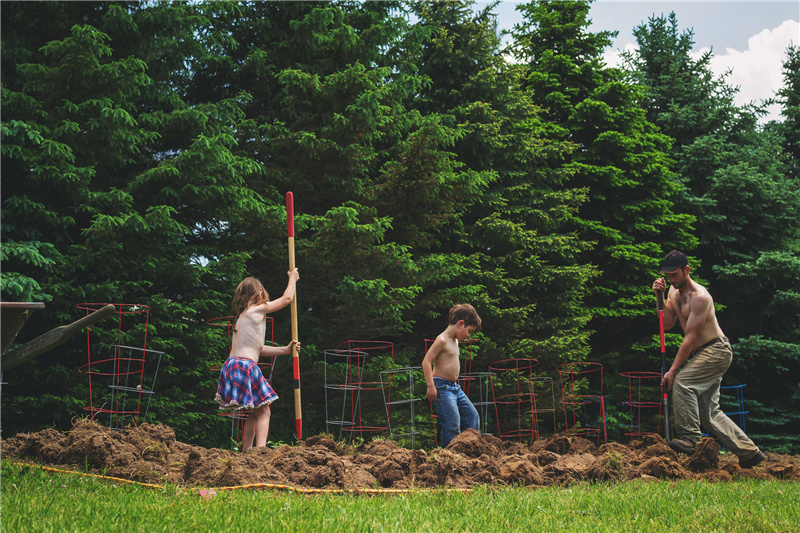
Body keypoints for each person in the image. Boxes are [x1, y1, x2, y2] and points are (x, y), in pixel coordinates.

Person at [652, 250, 764, 468]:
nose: (672, 280)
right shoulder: (673, 294)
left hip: (716, 350)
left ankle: (690, 439)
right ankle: (750, 453)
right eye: (668, 276)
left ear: (686, 270)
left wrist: (673, 370)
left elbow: (690, 338)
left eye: (675, 275)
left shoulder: (700, 298)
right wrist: (659, 296)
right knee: (709, 413)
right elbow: (665, 324)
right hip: (704, 353)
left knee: (683, 383)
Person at [215, 271, 300, 452]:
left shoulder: (242, 318)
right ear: (261, 295)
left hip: (232, 365)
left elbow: (258, 349)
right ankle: (260, 451)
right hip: (245, 365)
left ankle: (247, 451)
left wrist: (285, 350)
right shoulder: (257, 310)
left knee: (254, 411)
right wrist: (292, 279)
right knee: (264, 410)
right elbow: (286, 299)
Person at [422, 303, 482, 448]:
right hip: (442, 388)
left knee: (472, 416)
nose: (468, 336)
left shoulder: (455, 340)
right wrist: (431, 386)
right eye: (469, 331)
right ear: (461, 324)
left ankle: (471, 449)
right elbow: (426, 361)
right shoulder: (442, 340)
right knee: (452, 423)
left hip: (456, 388)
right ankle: (449, 456)